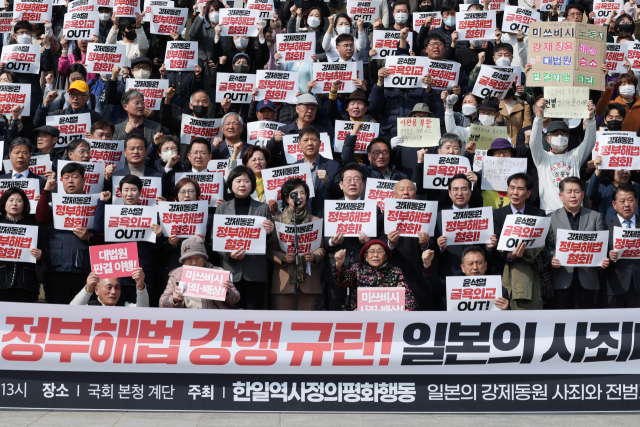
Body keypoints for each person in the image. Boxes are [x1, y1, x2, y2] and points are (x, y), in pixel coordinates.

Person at [94, 175, 164, 303]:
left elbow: (155, 249)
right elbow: (98, 227)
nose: (129, 194)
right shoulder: (113, 211)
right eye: (126, 190)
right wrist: (102, 201)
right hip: (117, 275)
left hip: (140, 274)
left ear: (140, 192)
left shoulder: (150, 214)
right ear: (120, 193)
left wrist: (158, 236)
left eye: (133, 190)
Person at [321, 163, 381, 310]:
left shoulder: (374, 209)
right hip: (335, 269)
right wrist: (331, 242)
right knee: (335, 313)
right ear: (340, 185)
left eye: (356, 179)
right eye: (348, 180)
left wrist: (369, 243)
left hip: (365, 271)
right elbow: (321, 240)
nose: (352, 183)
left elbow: (381, 240)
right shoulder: (330, 208)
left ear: (363, 184)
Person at [36, 163, 96, 304]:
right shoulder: (55, 203)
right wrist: (46, 191)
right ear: (61, 181)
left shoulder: (94, 204)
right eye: (66, 177)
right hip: (57, 269)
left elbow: (104, 235)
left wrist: (89, 237)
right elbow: (40, 218)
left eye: (75, 177)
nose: (70, 180)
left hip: (84, 270)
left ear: (84, 180)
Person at [216, 165, 275, 310]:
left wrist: (270, 233)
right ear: (231, 184)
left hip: (255, 272)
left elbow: (272, 243)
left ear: (252, 185)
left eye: (246, 181)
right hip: (230, 272)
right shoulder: (222, 209)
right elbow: (216, 240)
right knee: (229, 316)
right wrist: (229, 255)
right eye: (238, 180)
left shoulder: (263, 208)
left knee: (253, 314)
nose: (242, 184)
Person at [547, 177, 609, 309]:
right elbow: (548, 247)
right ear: (561, 195)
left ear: (583, 194)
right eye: (569, 191)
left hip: (588, 280)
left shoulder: (594, 217)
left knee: (584, 323)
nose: (573, 195)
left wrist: (602, 260)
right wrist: (552, 258)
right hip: (561, 280)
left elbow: (601, 247)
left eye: (577, 191)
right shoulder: (550, 218)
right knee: (561, 322)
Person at [492, 173, 549, 309]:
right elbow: (496, 247)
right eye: (512, 188)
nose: (515, 192)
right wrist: (509, 255)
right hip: (505, 271)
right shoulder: (496, 215)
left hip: (531, 272)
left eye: (520, 189)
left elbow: (542, 244)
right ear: (507, 191)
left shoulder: (539, 215)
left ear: (528, 193)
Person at [530, 98, 597, 214]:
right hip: (550, 212)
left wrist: (591, 119)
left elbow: (590, 142)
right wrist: (539, 117)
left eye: (563, 134)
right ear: (548, 139)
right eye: (555, 134)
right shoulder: (542, 158)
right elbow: (534, 142)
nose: (560, 137)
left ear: (568, 138)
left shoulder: (575, 156)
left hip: (574, 212)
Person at [269, 178, 326, 310]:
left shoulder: (315, 220)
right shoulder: (276, 220)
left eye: (303, 193)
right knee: (283, 322)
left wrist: (314, 256)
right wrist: (282, 258)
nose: (299, 196)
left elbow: (321, 249)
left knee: (306, 323)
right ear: (286, 198)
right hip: (283, 280)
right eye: (295, 194)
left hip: (308, 280)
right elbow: (269, 249)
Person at [386, 179, 436, 310]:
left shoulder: (428, 214)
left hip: (420, 277)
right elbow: (377, 246)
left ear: (415, 193)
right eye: (401, 190)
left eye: (410, 189)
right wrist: (390, 244)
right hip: (393, 278)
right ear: (394, 195)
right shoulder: (384, 217)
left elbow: (435, 243)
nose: (406, 193)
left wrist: (425, 244)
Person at [333, 239, 417, 311]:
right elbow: (341, 281)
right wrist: (339, 264)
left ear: (386, 256)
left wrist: (409, 309)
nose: (375, 255)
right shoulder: (357, 269)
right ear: (365, 256)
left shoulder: (395, 271)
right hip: (361, 316)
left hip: (388, 316)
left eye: (380, 251)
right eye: (371, 251)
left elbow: (407, 294)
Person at [160, 236, 240, 309]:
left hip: (215, 317)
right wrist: (174, 299)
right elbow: (162, 303)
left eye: (198, 258)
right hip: (187, 318)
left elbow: (235, 299)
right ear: (183, 261)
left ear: (204, 258)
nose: (194, 263)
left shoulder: (218, 273)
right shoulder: (176, 274)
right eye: (189, 259)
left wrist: (228, 292)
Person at [422, 245, 510, 310]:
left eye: (479, 263)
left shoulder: (500, 291)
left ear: (485, 265)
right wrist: (427, 265)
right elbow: (436, 286)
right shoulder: (454, 287)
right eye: (470, 264)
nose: (475, 267)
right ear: (462, 267)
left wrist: (506, 309)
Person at [0, 188, 42, 302]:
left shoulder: (34, 228)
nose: (14, 203)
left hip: (26, 284)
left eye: (19, 200)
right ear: (4, 204)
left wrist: (39, 256)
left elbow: (45, 256)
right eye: (11, 200)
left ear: (24, 205)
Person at [603, 183, 640, 308]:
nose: (627, 205)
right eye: (622, 201)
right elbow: (597, 256)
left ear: (636, 202)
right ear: (614, 204)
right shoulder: (605, 226)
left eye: (630, 200)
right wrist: (608, 256)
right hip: (613, 287)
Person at [267, 94, 329, 167]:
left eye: (313, 108)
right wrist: (275, 142)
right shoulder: (284, 130)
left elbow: (326, 157)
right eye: (306, 107)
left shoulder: (322, 131)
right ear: (297, 109)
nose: (310, 111)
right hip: (291, 174)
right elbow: (268, 154)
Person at [293, 126, 342, 216]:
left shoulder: (334, 166)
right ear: (299, 144)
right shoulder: (293, 168)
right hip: (300, 220)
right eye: (305, 140)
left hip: (324, 220)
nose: (310, 143)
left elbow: (341, 194)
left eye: (313, 139)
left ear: (320, 143)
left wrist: (327, 181)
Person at [588, 153, 640, 221]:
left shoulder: (637, 189)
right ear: (611, 171)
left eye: (628, 168)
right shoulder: (604, 190)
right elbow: (591, 193)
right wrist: (598, 170)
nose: (625, 172)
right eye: (621, 168)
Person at [71, 269, 149, 307]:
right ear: (96, 290)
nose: (113, 292)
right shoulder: (89, 307)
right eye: (109, 287)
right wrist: (87, 289)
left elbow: (142, 311)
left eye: (117, 287)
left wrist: (140, 286)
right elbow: (72, 311)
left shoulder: (124, 308)